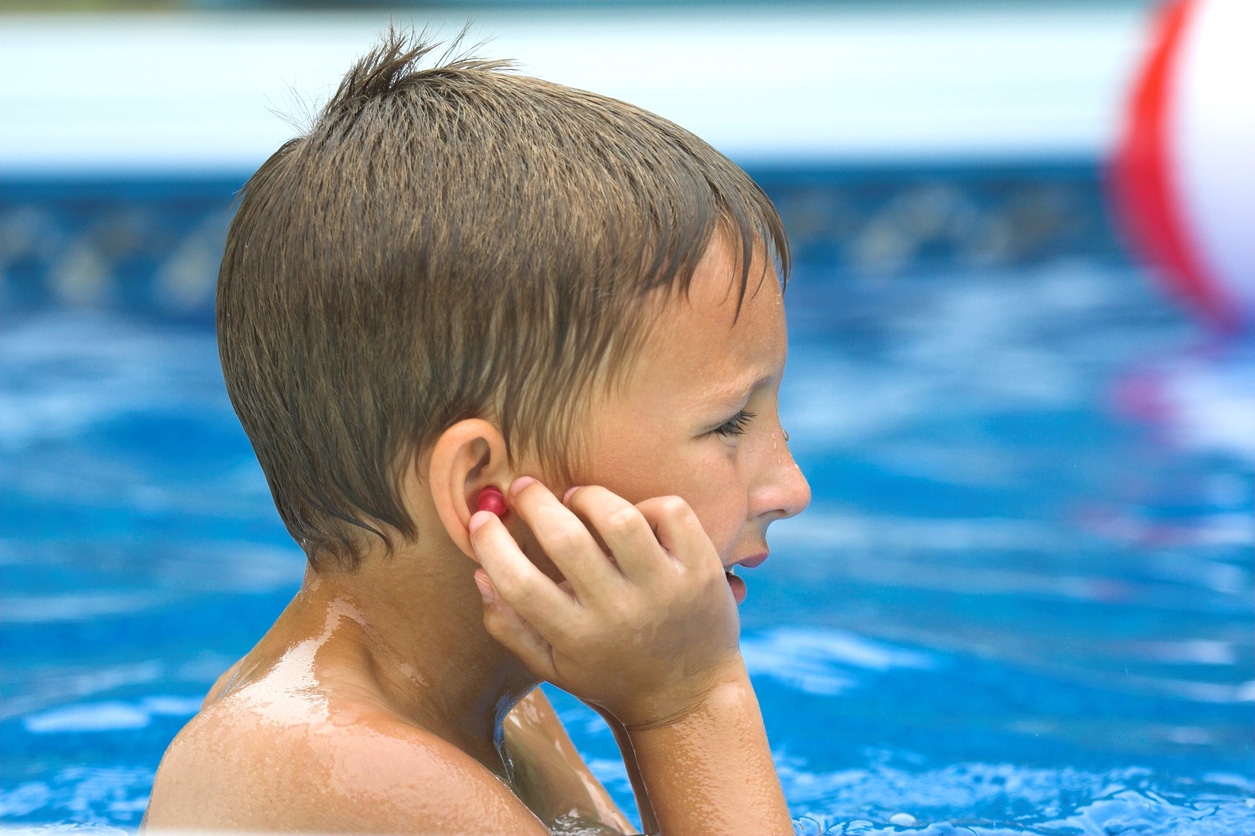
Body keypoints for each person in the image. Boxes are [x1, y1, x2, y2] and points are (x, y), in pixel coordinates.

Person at [143, 28, 810, 836]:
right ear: (479, 490)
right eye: (728, 423)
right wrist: (687, 706)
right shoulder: (339, 766)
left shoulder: (493, 709)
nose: (789, 488)